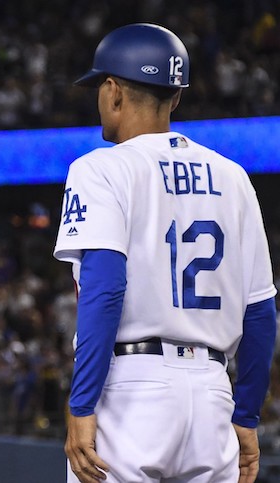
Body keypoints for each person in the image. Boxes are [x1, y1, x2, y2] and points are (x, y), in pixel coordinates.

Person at [53, 23, 277, 483]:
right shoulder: (234, 176)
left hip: (132, 389)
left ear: (113, 91)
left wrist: (82, 402)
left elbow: (105, 288)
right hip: (213, 393)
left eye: (100, 87)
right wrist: (247, 415)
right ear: (175, 97)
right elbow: (260, 312)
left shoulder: (100, 168)